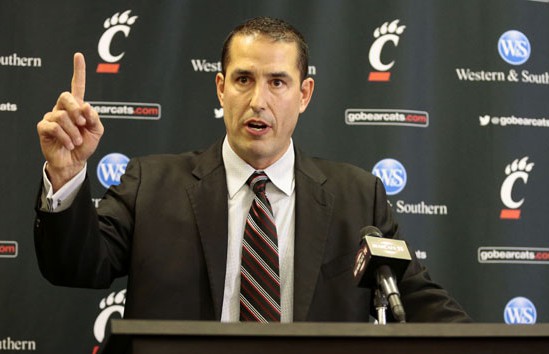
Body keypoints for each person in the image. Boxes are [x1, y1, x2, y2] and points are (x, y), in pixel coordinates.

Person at [34, 17, 471, 323]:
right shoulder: (152, 184)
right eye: (243, 79)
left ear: (304, 94)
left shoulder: (358, 197)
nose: (258, 100)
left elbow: (415, 302)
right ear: (221, 88)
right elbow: (73, 266)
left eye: (277, 82)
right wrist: (66, 176)